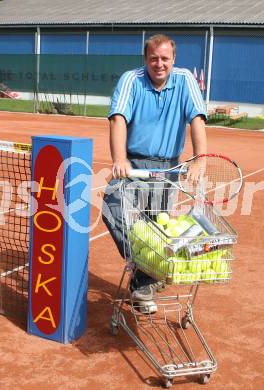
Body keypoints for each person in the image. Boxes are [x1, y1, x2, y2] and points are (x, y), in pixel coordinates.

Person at [102, 34, 207, 314]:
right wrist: (120, 159)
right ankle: (149, 272)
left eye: (165, 58)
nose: (159, 64)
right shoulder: (131, 79)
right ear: (145, 59)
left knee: (155, 227)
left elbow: (196, 119)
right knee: (111, 209)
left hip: (168, 167)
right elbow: (118, 119)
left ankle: (143, 285)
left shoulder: (185, 80)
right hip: (134, 164)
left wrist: (198, 161)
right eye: (153, 58)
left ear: (173, 59)